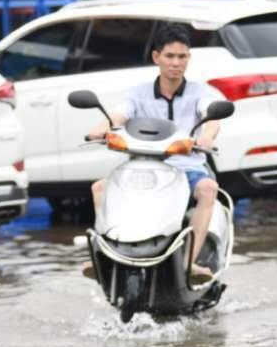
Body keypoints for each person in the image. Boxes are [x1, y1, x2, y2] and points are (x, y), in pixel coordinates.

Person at [87, 24, 224, 284]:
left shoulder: (200, 92)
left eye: (182, 57)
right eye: (170, 56)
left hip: (187, 168)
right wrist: (100, 129)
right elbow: (119, 115)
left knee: (208, 189)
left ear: (188, 59)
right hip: (144, 167)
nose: (176, 63)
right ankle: (106, 254)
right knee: (100, 188)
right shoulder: (138, 94)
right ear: (156, 57)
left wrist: (207, 136)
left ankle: (189, 263)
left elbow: (211, 116)